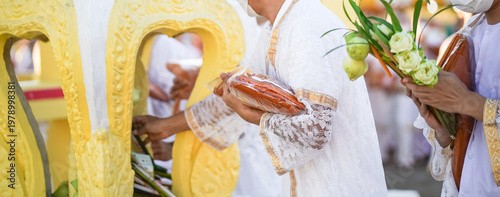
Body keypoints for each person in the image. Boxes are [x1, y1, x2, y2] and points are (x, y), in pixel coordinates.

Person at [133, 0, 387, 196]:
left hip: (335, 184)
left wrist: (253, 116)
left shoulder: (305, 24)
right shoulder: (275, 27)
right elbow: (232, 96)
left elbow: (316, 129)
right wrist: (164, 126)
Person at [402, 0, 500, 195]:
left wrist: (467, 102)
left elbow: (467, 103)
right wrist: (444, 126)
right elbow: (466, 139)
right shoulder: (467, 35)